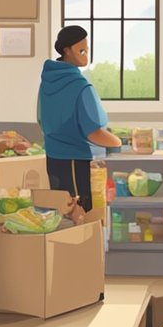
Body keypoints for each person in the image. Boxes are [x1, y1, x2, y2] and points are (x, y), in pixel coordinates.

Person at [38, 25, 123, 213]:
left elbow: (41, 119)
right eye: (81, 50)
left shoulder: (48, 81)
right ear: (66, 50)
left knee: (62, 209)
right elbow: (94, 133)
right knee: (79, 211)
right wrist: (119, 142)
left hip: (53, 157)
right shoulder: (80, 86)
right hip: (75, 159)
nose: (86, 56)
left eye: (87, 50)